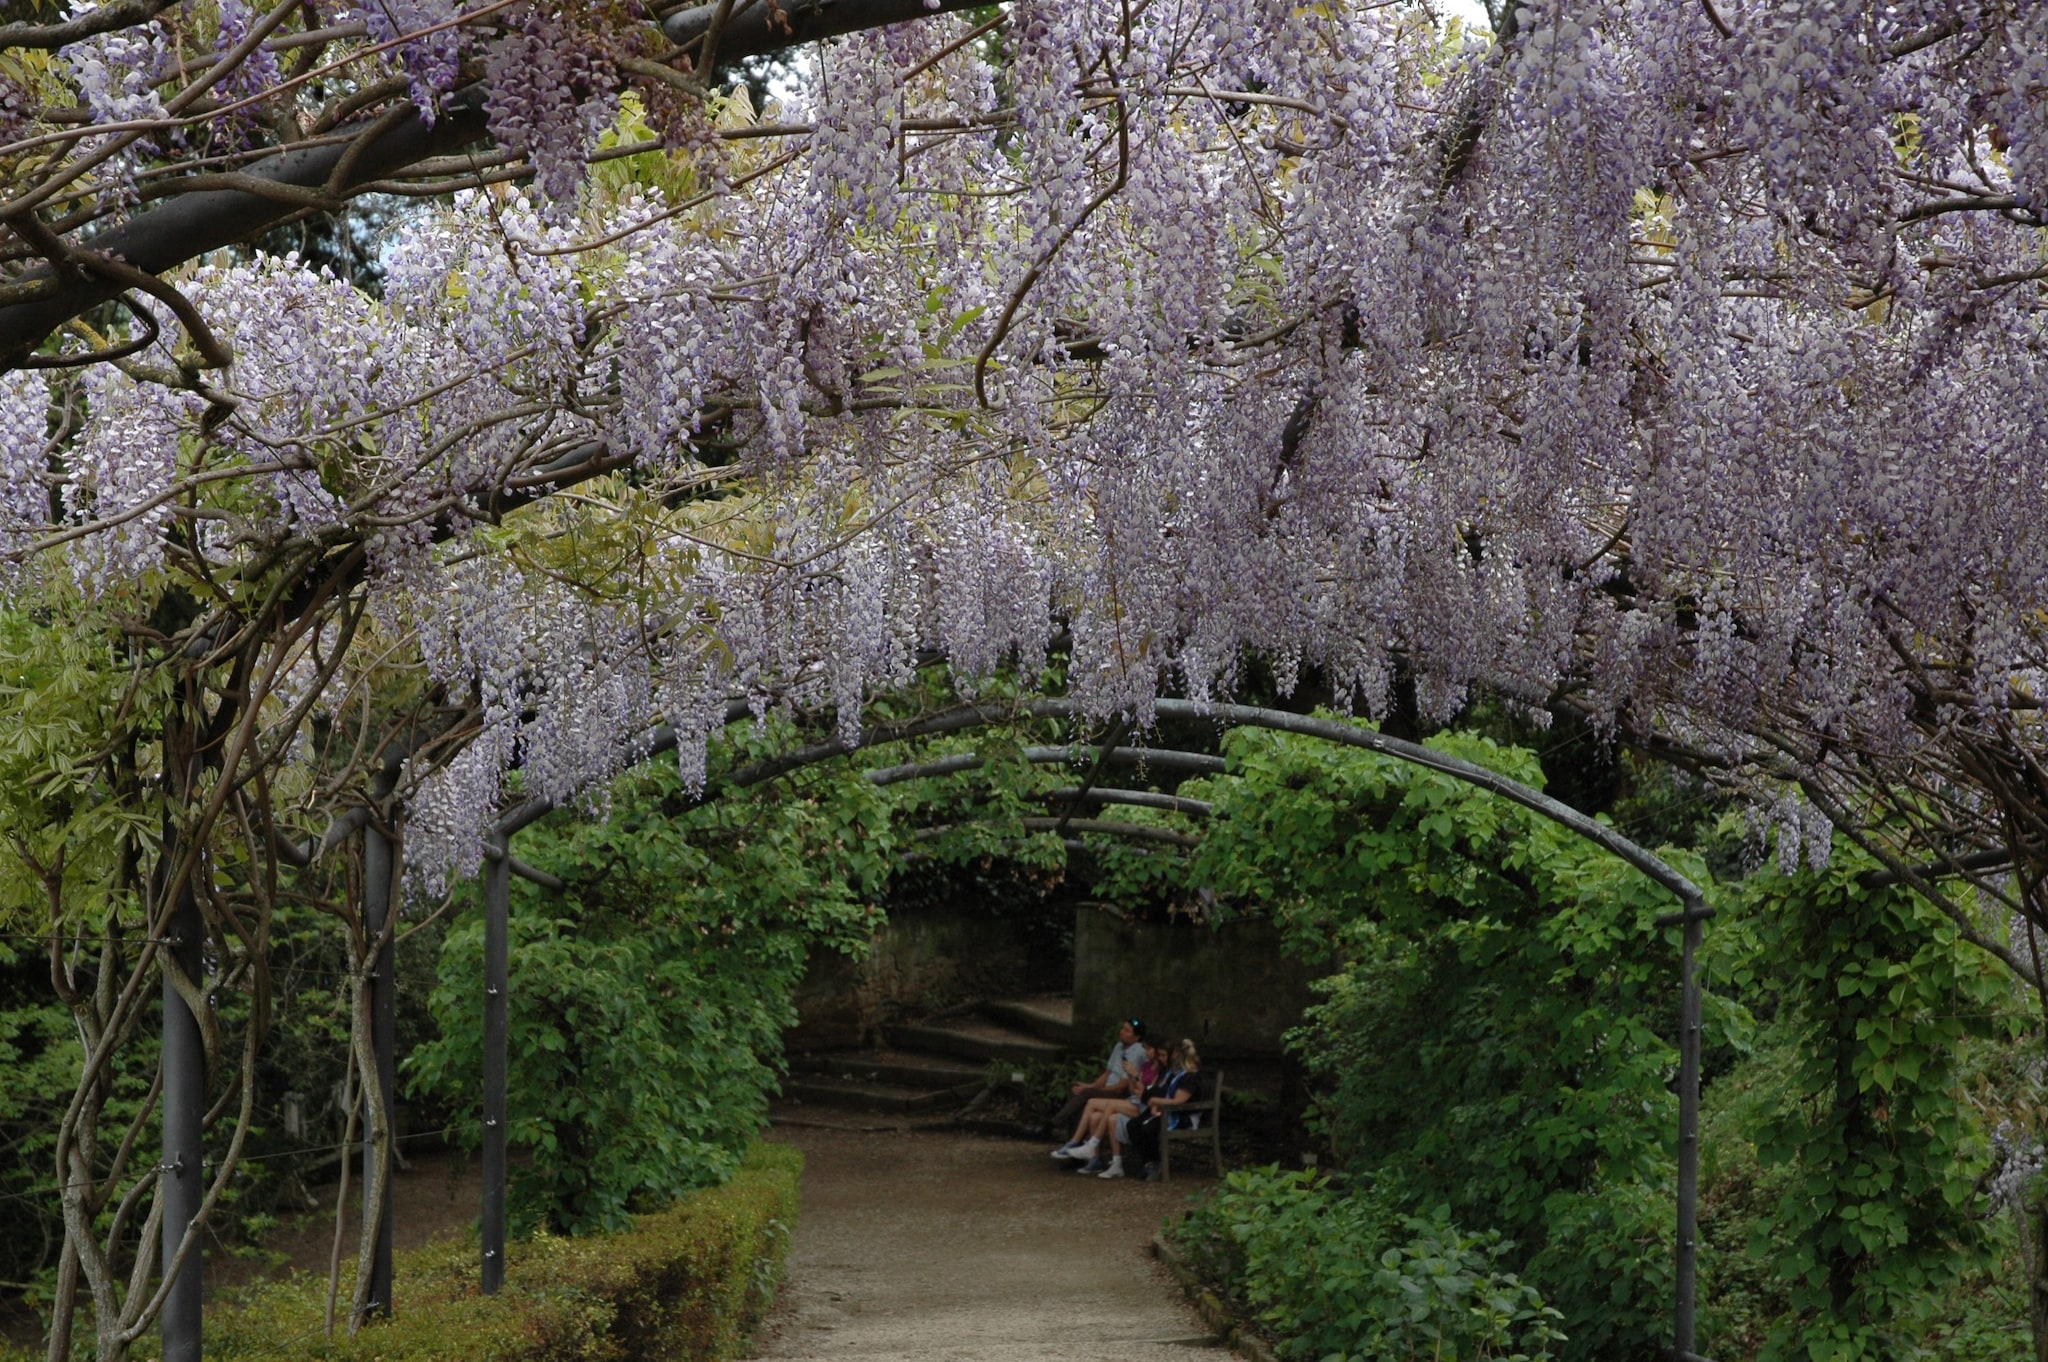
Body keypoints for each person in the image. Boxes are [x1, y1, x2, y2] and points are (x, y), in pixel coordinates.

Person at [1057, 1038, 1200, 1179]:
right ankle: (1148, 1162)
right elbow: (1155, 1091)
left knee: (1142, 1125)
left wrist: (1153, 1099)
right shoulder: (1168, 1072)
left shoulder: (1188, 1076)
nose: (1163, 1058)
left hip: (1177, 1115)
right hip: (1156, 1107)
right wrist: (1139, 1083)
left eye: (1165, 1055)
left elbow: (1178, 1100)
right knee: (1132, 1125)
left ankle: (1093, 1144)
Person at [1040, 1018, 1148, 1136]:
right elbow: (1107, 1073)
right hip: (1107, 1087)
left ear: (1137, 1037)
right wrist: (1090, 1086)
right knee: (1075, 1087)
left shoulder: (1138, 1052)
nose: (1122, 1032)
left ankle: (1051, 1125)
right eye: (1123, 1028)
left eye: (1127, 1031)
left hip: (1119, 1092)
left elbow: (1121, 1087)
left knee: (1086, 1093)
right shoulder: (1119, 1046)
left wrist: (1093, 1090)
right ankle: (1073, 1135)